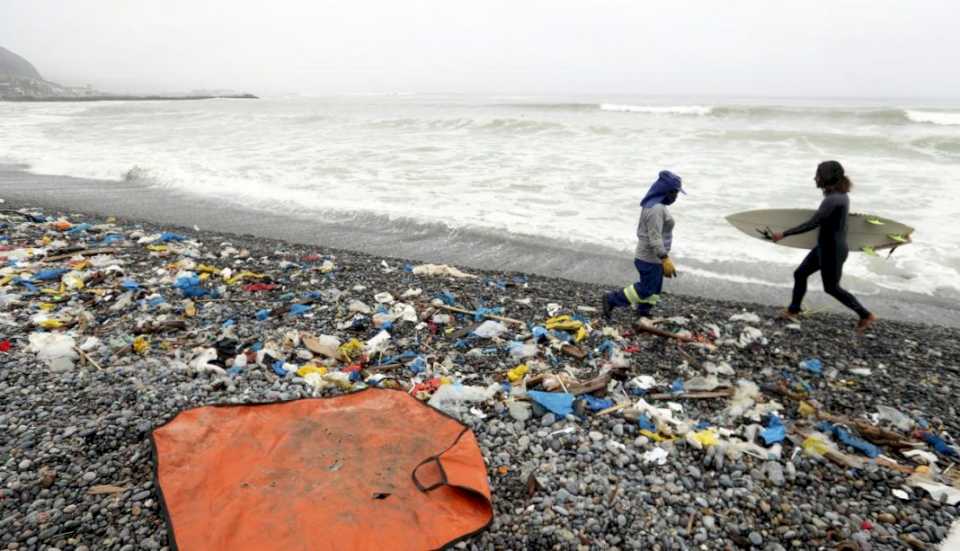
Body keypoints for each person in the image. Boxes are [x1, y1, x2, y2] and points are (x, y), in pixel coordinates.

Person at [772, 160, 877, 333]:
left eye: (818, 175)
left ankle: (865, 315)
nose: (815, 178)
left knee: (832, 288)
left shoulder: (833, 199)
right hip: (825, 247)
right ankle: (793, 310)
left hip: (832, 251)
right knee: (800, 274)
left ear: (826, 177)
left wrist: (784, 234)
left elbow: (813, 223)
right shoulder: (838, 196)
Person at [602, 170, 684, 320]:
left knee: (655, 289)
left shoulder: (657, 205)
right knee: (646, 288)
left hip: (655, 257)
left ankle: (643, 311)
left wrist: (663, 258)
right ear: (666, 191)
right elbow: (655, 238)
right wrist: (665, 258)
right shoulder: (656, 209)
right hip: (649, 257)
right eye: (674, 193)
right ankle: (612, 299)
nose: (676, 197)